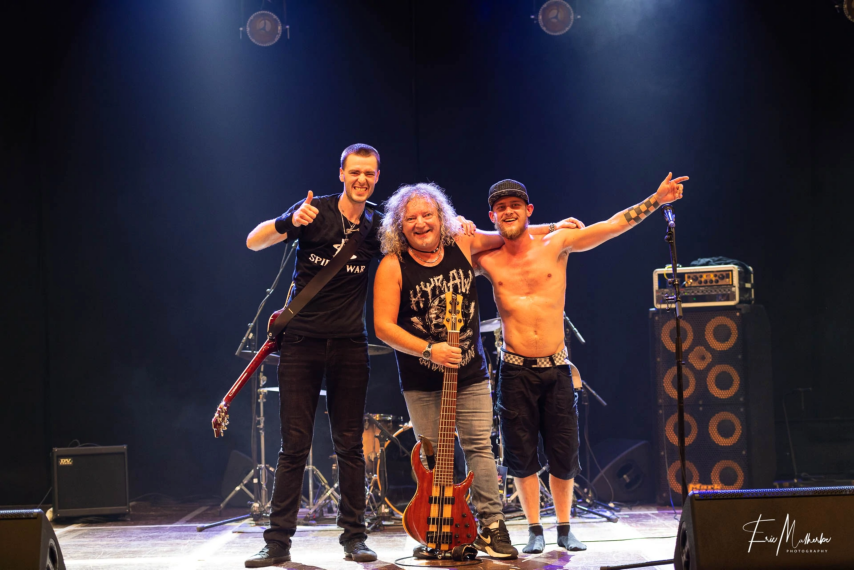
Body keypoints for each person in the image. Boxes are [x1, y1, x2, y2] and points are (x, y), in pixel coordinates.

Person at [472, 173, 688, 554]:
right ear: (492, 216)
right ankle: (534, 528)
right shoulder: (487, 259)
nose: (508, 212)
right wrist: (464, 225)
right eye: (501, 208)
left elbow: (611, 227)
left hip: (556, 367)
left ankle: (564, 526)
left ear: (528, 210)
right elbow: (453, 246)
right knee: (520, 454)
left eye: (515, 206)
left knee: (563, 451)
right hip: (514, 369)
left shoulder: (557, 243)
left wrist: (656, 200)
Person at [372, 182, 582, 560]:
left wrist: (553, 227)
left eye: (427, 215)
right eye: (411, 218)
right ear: (399, 226)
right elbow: (383, 327)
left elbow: (508, 233)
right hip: (421, 380)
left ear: (442, 218)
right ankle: (440, 529)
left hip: (469, 374)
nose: (420, 223)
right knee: (434, 458)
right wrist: (429, 350)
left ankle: (493, 527)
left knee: (480, 448)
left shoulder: (463, 243)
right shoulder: (392, 265)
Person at [242, 144, 384, 567]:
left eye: (369, 173)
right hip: (302, 342)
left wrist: (460, 224)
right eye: (355, 172)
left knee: (350, 446)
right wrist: (287, 221)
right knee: (293, 446)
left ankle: (355, 538)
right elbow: (253, 241)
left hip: (349, 344)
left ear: (377, 177)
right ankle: (277, 543)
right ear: (341, 173)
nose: (361, 179)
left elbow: (425, 237)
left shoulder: (378, 225)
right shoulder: (314, 210)